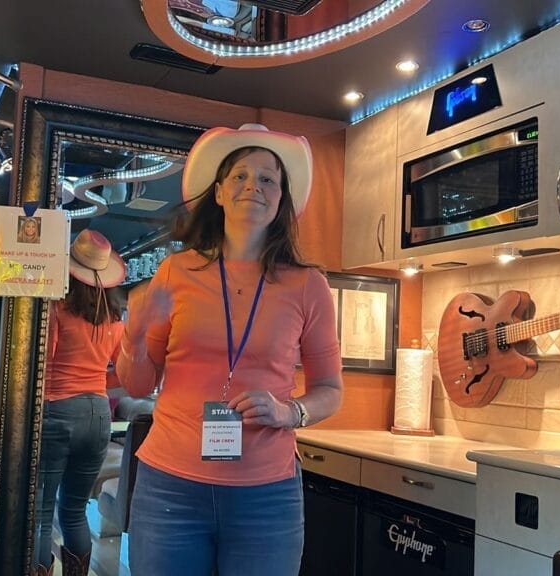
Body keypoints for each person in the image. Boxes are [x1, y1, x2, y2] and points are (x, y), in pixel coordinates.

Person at [116, 123, 344, 576]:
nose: (253, 186)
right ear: (219, 192)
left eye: (268, 179)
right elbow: (137, 384)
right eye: (240, 175)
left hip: (266, 496)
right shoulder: (175, 272)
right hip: (170, 488)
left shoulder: (309, 285)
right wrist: (134, 336)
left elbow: (330, 390)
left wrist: (289, 412)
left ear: (281, 199)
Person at [34, 229, 126, 576]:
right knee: (74, 510)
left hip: (57, 409)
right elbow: (124, 375)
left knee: (41, 514)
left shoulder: (56, 308)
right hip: (98, 415)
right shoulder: (113, 320)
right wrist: (97, 381)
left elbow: (43, 364)